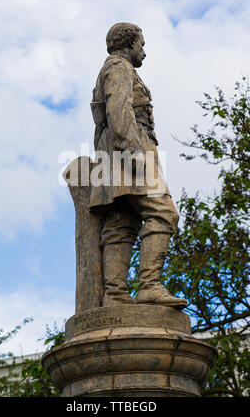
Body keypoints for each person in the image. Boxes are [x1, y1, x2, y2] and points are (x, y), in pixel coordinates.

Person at [90, 23, 187, 310]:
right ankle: (150, 286)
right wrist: (134, 155)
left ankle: (115, 294)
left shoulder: (115, 68)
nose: (144, 51)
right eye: (141, 44)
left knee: (122, 222)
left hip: (114, 153)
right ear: (129, 43)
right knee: (164, 213)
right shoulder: (119, 67)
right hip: (128, 149)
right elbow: (119, 112)